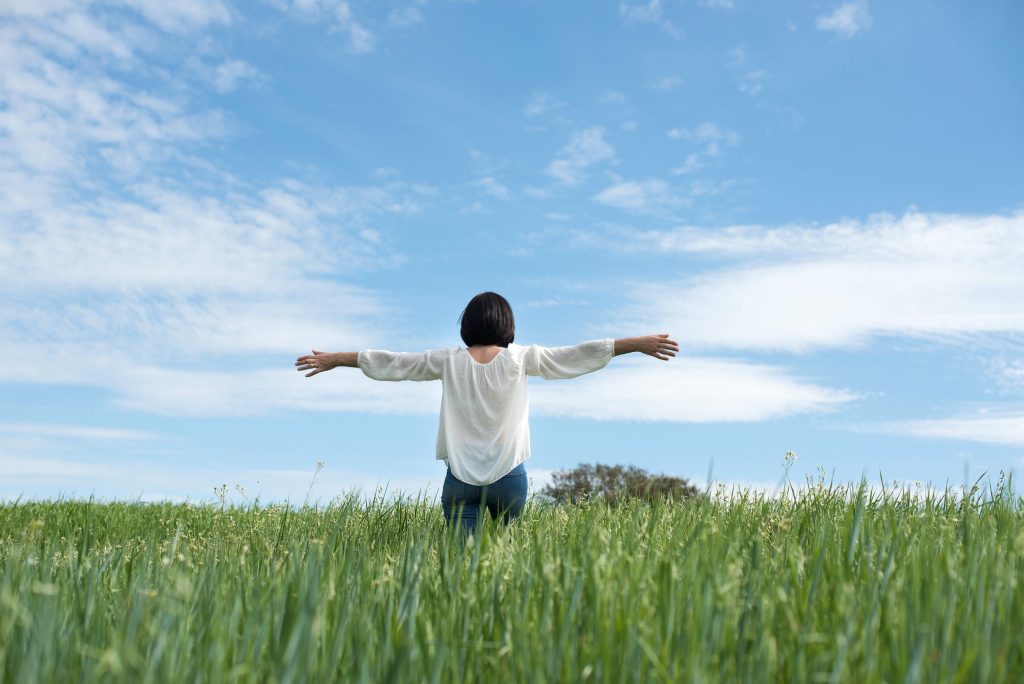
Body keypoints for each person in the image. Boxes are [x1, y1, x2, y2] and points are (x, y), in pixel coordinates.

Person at [294, 291, 678, 539]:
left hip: (460, 478)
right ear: (507, 325)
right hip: (509, 476)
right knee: (505, 556)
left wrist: (334, 359)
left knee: (463, 568)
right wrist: (636, 344)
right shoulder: (521, 358)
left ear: (467, 326)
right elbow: (576, 354)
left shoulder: (446, 361)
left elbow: (392, 362)